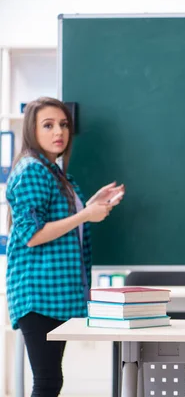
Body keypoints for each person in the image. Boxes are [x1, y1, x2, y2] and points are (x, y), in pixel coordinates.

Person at [5, 97, 125, 397]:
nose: (59, 131)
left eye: (63, 124)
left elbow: (66, 220)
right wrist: (85, 214)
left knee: (50, 381)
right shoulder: (32, 170)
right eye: (48, 125)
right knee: (47, 382)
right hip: (39, 292)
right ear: (32, 131)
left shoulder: (57, 173)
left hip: (56, 292)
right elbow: (31, 235)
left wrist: (89, 204)